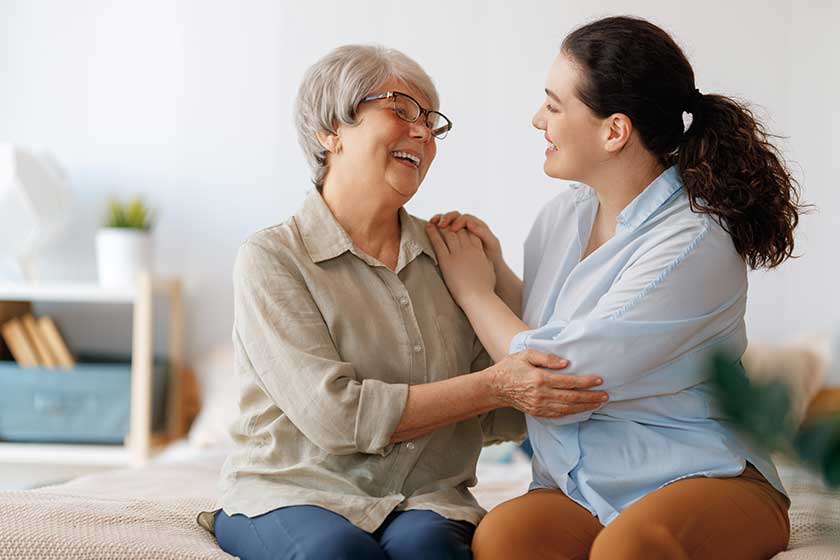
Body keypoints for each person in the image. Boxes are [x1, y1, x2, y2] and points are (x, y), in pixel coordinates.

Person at [196, 44, 608, 560]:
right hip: (293, 493)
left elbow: (512, 410)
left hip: (426, 501)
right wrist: (494, 384)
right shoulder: (273, 258)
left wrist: (497, 277)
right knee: (335, 554)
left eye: (431, 122)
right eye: (400, 109)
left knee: (430, 549)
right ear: (330, 131)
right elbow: (336, 417)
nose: (423, 132)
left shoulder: (453, 256)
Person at [427, 16, 803, 560]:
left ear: (614, 131)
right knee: (503, 539)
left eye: (554, 106)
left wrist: (474, 294)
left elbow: (560, 376)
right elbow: (550, 327)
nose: (538, 120)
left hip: (707, 475)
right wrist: (493, 272)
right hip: (586, 483)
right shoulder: (563, 215)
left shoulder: (694, 241)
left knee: (629, 549)